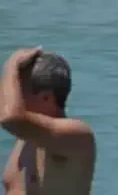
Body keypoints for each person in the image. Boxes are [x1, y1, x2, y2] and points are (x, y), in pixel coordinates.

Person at [1, 48, 95, 195]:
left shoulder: (77, 137)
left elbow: (10, 118)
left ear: (46, 98)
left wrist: (10, 65)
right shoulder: (28, 138)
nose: (15, 98)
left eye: (20, 91)